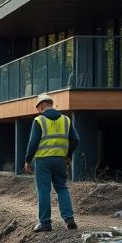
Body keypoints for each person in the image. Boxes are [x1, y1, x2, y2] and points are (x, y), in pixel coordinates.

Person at [23, 93, 79, 232]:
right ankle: (69, 218)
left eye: (38, 108)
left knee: (43, 190)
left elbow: (33, 143)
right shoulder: (66, 120)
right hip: (60, 160)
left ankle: (45, 223)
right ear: (51, 104)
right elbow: (75, 139)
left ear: (41, 106)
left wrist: (28, 160)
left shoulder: (39, 120)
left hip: (43, 160)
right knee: (62, 187)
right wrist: (67, 155)